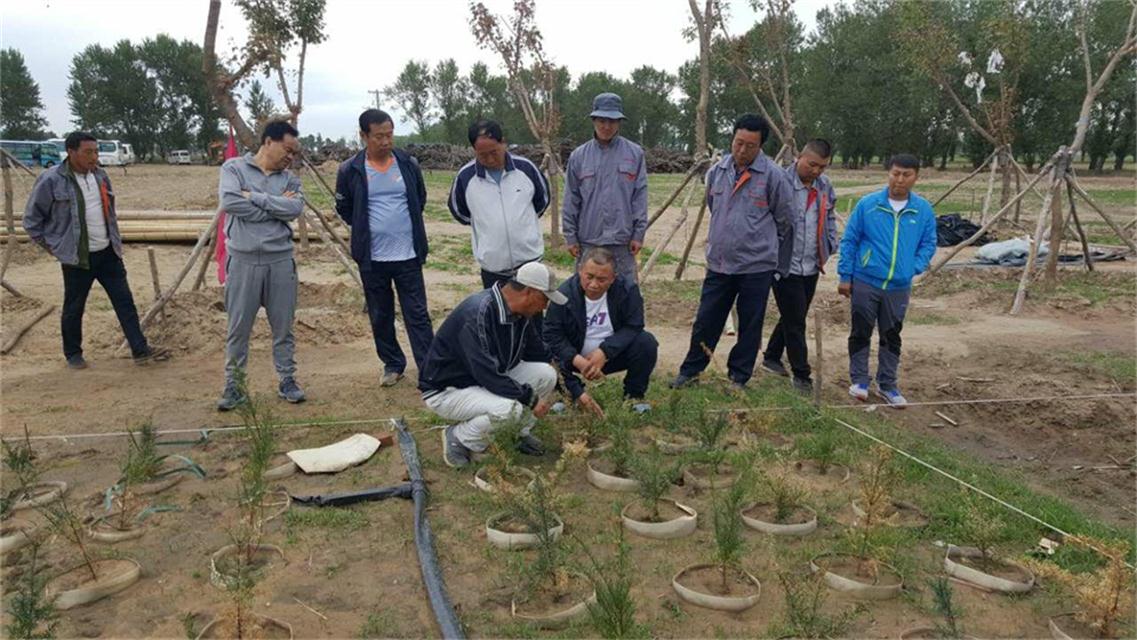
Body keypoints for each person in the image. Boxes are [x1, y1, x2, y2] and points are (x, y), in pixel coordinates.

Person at [23, 131, 169, 370]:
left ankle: (140, 350)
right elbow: (32, 221)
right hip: (77, 257)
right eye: (88, 152)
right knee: (74, 306)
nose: (94, 157)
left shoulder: (100, 176)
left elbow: (109, 212)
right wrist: (56, 248)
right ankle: (73, 354)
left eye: (96, 152)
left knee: (125, 302)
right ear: (71, 152)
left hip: (108, 252)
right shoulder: (51, 180)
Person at [671, 114, 793, 391]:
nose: (742, 150)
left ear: (760, 146)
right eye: (738, 142)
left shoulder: (773, 176)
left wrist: (761, 244)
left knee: (750, 325)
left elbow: (784, 219)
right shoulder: (718, 171)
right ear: (732, 138)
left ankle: (738, 377)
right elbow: (714, 207)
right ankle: (690, 372)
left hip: (756, 267)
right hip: (720, 264)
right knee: (706, 320)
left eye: (750, 146)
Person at [419, 262, 565, 468]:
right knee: (510, 409)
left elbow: (540, 353)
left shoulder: (520, 313)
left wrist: (570, 386)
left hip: (485, 378)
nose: (545, 306)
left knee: (546, 374)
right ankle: (459, 437)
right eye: (545, 299)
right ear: (530, 292)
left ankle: (516, 432)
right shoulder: (477, 313)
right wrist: (530, 399)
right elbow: (487, 373)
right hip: (449, 390)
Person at [335, 109, 434, 388]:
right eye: (378, 136)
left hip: (408, 254)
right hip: (372, 257)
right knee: (380, 314)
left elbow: (420, 199)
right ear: (364, 136)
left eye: (389, 135)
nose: (385, 141)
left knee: (417, 314)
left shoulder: (407, 164)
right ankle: (393, 364)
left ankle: (429, 367)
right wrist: (365, 229)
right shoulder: (350, 170)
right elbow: (344, 207)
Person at [216, 120, 304, 410]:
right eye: (287, 150)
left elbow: (294, 208)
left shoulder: (290, 180)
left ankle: (287, 379)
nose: (290, 157)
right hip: (242, 262)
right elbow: (231, 203)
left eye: (294, 153)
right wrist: (275, 206)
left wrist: (254, 197)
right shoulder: (233, 169)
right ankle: (234, 385)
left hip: (280, 262)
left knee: (283, 328)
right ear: (268, 142)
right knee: (238, 329)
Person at [838, 153, 937, 408]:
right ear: (888, 174)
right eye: (895, 174)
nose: (899, 180)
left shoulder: (923, 210)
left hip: (899, 286)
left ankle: (888, 384)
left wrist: (913, 267)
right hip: (866, 280)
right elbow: (850, 241)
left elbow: (928, 243)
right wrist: (845, 276)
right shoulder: (868, 205)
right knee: (861, 331)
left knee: (891, 335)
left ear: (916, 177)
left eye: (906, 175)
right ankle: (859, 381)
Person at [762, 139, 839, 395]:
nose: (816, 171)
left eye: (822, 167)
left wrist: (830, 243)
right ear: (799, 157)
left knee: (793, 315)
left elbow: (829, 216)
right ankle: (802, 375)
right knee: (796, 322)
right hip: (784, 265)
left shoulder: (825, 186)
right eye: (812, 164)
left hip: (811, 265)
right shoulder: (780, 182)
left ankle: (772, 356)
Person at [543, 247, 657, 417]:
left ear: (613, 278)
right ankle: (566, 395)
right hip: (574, 357)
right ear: (580, 271)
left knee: (646, 342)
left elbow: (634, 325)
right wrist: (577, 360)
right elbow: (553, 334)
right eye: (589, 277)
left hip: (612, 355)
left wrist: (604, 352)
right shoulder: (564, 294)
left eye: (602, 279)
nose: (594, 284)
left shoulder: (627, 290)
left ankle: (634, 396)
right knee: (546, 348)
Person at [449, 119, 550, 288]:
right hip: (493, 269)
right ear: (474, 150)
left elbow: (542, 201)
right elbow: (459, 211)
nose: (489, 159)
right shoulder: (465, 178)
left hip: (530, 263)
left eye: (494, 152)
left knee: (533, 305)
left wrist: (521, 223)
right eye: (482, 155)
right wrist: (487, 225)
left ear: (503, 142)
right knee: (496, 306)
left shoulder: (526, 169)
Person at [562, 92, 647, 281]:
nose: (607, 126)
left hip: (623, 243)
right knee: (589, 291)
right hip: (588, 242)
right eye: (602, 120)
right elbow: (571, 199)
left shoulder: (635, 154)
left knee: (625, 291)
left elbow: (639, 197)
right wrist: (570, 237)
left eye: (612, 121)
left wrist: (638, 234)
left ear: (619, 122)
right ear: (593, 120)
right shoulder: (578, 157)